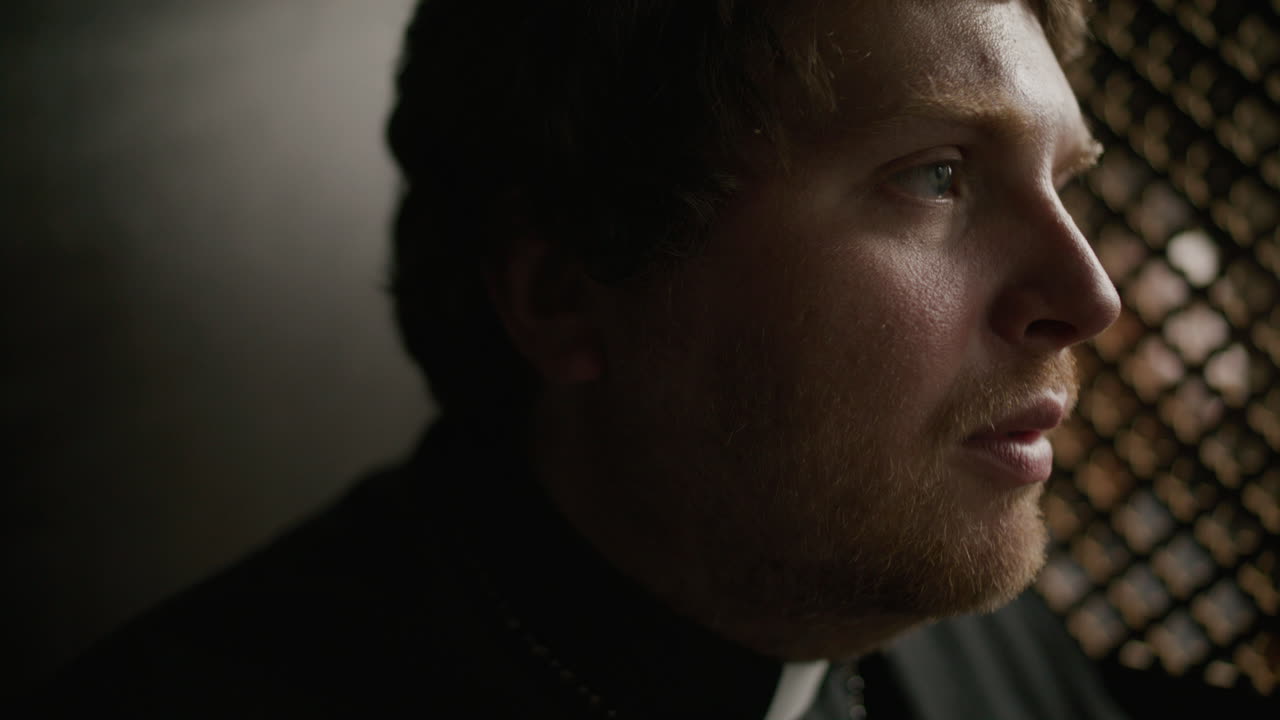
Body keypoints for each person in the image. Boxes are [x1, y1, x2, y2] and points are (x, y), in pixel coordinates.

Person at [34, 1, 1244, 717]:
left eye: (1064, 183)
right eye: (934, 177)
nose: (1088, 297)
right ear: (568, 291)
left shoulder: (889, 571)